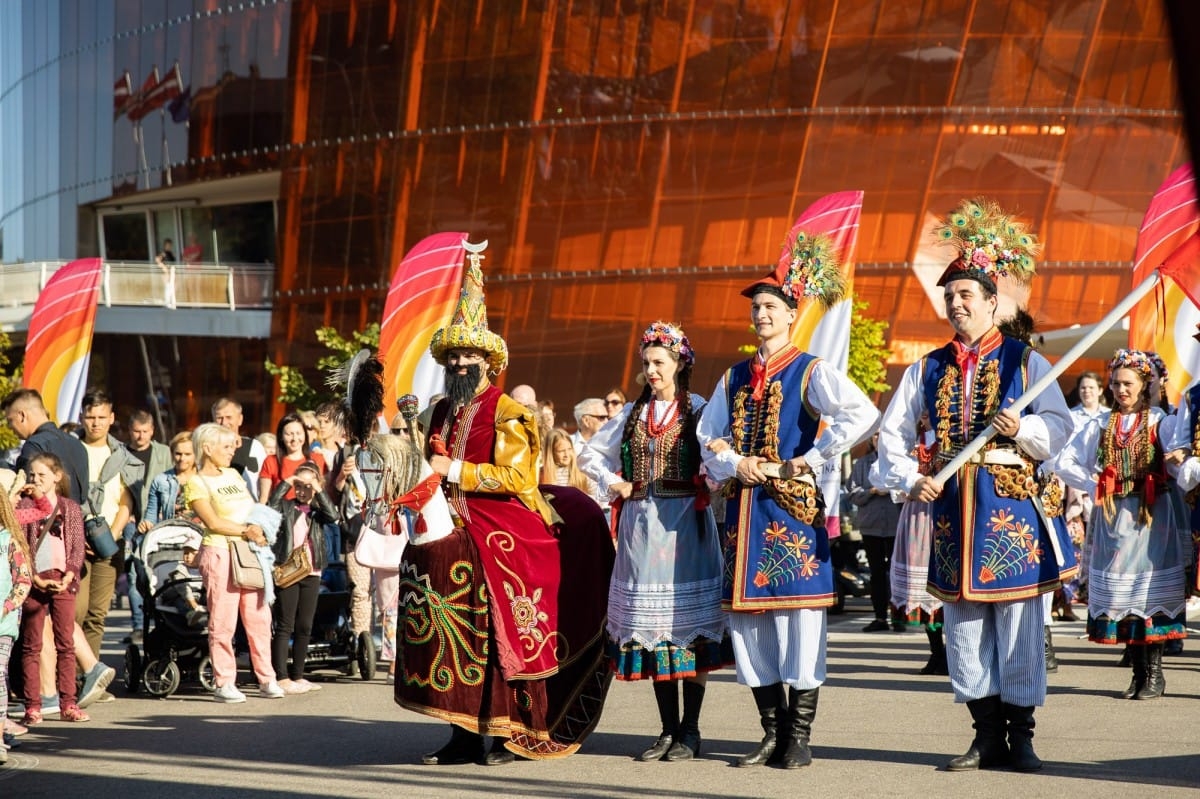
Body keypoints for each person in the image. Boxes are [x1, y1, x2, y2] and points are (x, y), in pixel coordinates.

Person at [875, 199, 1076, 773]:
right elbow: (891, 433)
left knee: (1017, 621)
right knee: (963, 625)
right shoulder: (926, 367)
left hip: (1008, 505)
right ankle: (985, 735)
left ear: (993, 302)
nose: (957, 304)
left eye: (968, 295)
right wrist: (910, 477)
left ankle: (1023, 736)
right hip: (953, 508)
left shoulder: (1024, 362)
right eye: (951, 296)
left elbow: (1061, 428)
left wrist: (1026, 427)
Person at [397, 241, 612, 765]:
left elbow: (518, 476)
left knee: (504, 606)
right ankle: (463, 731)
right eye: (454, 356)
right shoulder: (438, 409)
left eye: (471, 356)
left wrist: (460, 472)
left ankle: (518, 727)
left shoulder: (508, 409)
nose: (462, 363)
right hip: (449, 512)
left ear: (489, 361)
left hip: (500, 514)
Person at [697, 228, 878, 770]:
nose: (761, 315)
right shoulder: (733, 377)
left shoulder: (811, 369)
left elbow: (862, 414)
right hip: (745, 513)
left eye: (771, 306)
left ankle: (798, 733)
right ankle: (770, 731)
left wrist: (814, 456)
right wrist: (735, 462)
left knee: (798, 619)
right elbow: (708, 437)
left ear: (791, 314)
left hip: (791, 514)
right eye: (756, 308)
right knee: (750, 624)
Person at [579, 320, 728, 762]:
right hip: (642, 530)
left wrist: (714, 472)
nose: (652, 371)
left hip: (687, 528)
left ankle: (691, 730)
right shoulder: (632, 415)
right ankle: (666, 729)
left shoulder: (698, 410)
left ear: (681, 363)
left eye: (659, 362)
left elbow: (719, 456)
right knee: (654, 631)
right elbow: (590, 454)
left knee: (689, 629)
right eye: (647, 363)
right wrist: (614, 481)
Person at [1057, 349, 1188, 699]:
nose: (1120, 390)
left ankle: (1155, 674)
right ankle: (1138, 672)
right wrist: (1094, 483)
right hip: (1115, 518)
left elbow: (1181, 462)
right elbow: (1066, 461)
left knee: (1148, 591)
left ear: (1145, 384)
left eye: (1127, 383)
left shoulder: (1161, 421)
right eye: (1115, 383)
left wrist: (1174, 466)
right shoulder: (1100, 425)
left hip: (1152, 516)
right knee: (1123, 594)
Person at [185, 423, 283, 703]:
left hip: (248, 549)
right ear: (207, 448)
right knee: (223, 621)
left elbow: (250, 507)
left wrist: (259, 529)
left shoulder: (232, 474)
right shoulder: (196, 482)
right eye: (226, 447)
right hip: (219, 552)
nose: (231, 452)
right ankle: (224, 681)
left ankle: (266, 677)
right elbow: (213, 522)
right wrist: (246, 530)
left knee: (259, 618)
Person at [17, 453, 89, 723]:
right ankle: (32, 706)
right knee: (31, 644)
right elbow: (22, 545)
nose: (35, 479)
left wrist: (71, 573)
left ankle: (68, 703)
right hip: (35, 580)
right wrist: (33, 577)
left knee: (66, 643)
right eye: (32, 475)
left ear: (57, 477)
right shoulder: (25, 506)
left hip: (63, 579)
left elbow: (77, 546)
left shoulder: (70, 507)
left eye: (42, 475)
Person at [75, 388, 140, 659]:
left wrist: (110, 538)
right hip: (74, 539)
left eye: (102, 417)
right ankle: (66, 679)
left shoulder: (123, 456)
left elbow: (127, 502)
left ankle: (88, 676)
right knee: (74, 613)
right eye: (91, 417)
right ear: (82, 418)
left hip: (109, 541)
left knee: (96, 614)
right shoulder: (71, 450)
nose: (96, 422)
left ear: (112, 418)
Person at [267, 461, 336, 694]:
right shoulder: (287, 507)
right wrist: (286, 482)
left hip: (312, 570)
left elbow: (333, 515)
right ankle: (281, 676)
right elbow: (271, 506)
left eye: (308, 486)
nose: (303, 491)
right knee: (285, 623)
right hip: (288, 570)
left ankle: (298, 675)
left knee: (305, 625)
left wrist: (318, 489)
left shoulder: (317, 511)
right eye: (299, 486)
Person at [125, 410, 172, 645]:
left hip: (160, 522)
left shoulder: (163, 452)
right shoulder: (121, 454)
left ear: (152, 431)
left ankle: (162, 623)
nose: (140, 436)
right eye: (136, 431)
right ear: (129, 431)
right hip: (131, 522)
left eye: (145, 432)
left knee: (161, 573)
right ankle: (137, 625)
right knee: (135, 574)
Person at [848, 433, 902, 632]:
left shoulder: (898, 462)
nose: (879, 438)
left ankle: (898, 617)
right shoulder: (862, 463)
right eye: (876, 435)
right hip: (871, 526)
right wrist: (872, 491)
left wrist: (892, 490)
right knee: (877, 574)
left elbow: (909, 490)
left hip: (895, 526)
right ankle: (880, 617)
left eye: (883, 434)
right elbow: (852, 493)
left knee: (896, 574)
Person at [2, 389, 89, 505]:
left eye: (10, 420)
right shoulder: (78, 444)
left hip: (44, 520)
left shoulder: (34, 445)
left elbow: (24, 494)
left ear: (22, 415)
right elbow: (83, 496)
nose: (9, 427)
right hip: (76, 519)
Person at [0, 481, 33, 759]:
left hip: (3, 623)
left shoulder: (8, 539)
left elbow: (23, 579)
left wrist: (7, 605)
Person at [258, 413, 327, 502]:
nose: (294, 438)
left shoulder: (318, 459)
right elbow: (264, 498)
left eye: (298, 433)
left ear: (305, 435)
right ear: (281, 436)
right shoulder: (271, 461)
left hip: (310, 513)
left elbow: (325, 495)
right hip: (281, 513)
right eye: (289, 434)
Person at [211, 398, 266, 501]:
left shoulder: (255, 447)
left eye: (229, 417)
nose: (224, 423)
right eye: (219, 418)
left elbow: (265, 481)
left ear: (240, 419)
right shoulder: (208, 449)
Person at [142, 432, 199, 528]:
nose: (182, 458)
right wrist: (146, 524)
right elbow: (151, 516)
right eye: (178, 454)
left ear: (196, 455)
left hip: (200, 535)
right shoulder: (160, 480)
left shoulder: (205, 478)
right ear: (172, 454)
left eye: (187, 454)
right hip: (170, 534)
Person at [542, 428, 598, 500]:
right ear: (551, 452)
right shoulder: (541, 475)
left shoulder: (582, 470)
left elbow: (598, 496)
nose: (567, 455)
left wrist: (582, 499)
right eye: (561, 451)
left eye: (569, 449)